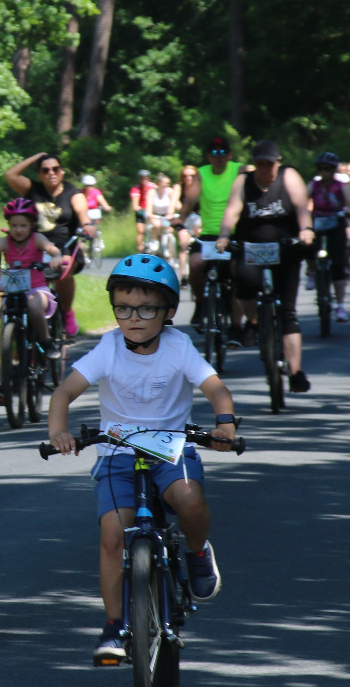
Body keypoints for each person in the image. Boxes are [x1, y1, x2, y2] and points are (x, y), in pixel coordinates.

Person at [45, 254, 238, 663]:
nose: (133, 318)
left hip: (171, 450)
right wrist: (58, 432)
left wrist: (224, 425)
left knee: (189, 500)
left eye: (147, 309)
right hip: (118, 454)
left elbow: (215, 389)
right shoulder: (109, 347)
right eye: (123, 308)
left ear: (168, 312)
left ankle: (197, 552)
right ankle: (115, 625)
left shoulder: (179, 346)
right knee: (112, 534)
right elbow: (63, 393)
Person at [216, 139, 316, 393]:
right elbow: (232, 211)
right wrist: (224, 235)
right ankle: (254, 322)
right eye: (260, 164)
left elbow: (301, 206)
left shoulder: (288, 176)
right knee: (244, 286)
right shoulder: (244, 182)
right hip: (252, 249)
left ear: (277, 163)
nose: (264, 169)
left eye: (269, 164)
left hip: (285, 248)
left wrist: (305, 229)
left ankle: (296, 372)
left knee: (288, 312)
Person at [3, 152, 91, 337]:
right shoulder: (32, 189)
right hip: (33, 243)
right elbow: (10, 175)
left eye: (55, 169)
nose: (51, 173)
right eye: (45, 170)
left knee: (63, 270)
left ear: (62, 171)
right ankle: (18, 325)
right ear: (39, 174)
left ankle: (66, 311)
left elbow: (83, 214)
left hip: (65, 245)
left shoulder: (73, 193)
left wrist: (87, 226)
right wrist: (36, 157)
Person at [0, 196, 66, 402]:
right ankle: (8, 375)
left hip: (37, 289)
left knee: (34, 303)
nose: (18, 230)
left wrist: (56, 257)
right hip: (14, 291)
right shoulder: (5, 242)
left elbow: (52, 249)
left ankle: (46, 341)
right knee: (5, 320)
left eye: (23, 225)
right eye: (14, 225)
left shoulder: (37, 239)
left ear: (32, 224)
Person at [185, 137, 241, 331]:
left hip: (234, 234)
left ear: (230, 155)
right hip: (209, 234)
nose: (219, 156)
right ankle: (200, 303)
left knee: (238, 272)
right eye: (215, 152)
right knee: (195, 264)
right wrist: (180, 219)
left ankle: (237, 323)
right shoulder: (202, 174)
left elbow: (256, 174)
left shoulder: (238, 170)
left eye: (223, 152)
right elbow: (190, 200)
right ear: (209, 156)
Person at [307, 151, 350, 322]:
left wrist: (346, 212)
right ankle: (312, 271)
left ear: (333, 170)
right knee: (307, 246)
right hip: (317, 223)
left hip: (336, 223)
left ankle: (340, 306)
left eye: (327, 169)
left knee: (338, 265)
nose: (323, 172)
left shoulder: (341, 187)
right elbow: (302, 202)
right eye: (320, 168)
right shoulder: (313, 185)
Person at [78, 175, 108, 257]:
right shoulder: (81, 193)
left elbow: (101, 201)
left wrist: (106, 207)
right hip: (84, 215)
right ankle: (84, 252)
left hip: (94, 215)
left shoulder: (96, 192)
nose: (89, 187)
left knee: (93, 229)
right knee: (82, 233)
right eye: (87, 185)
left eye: (91, 185)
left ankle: (96, 239)